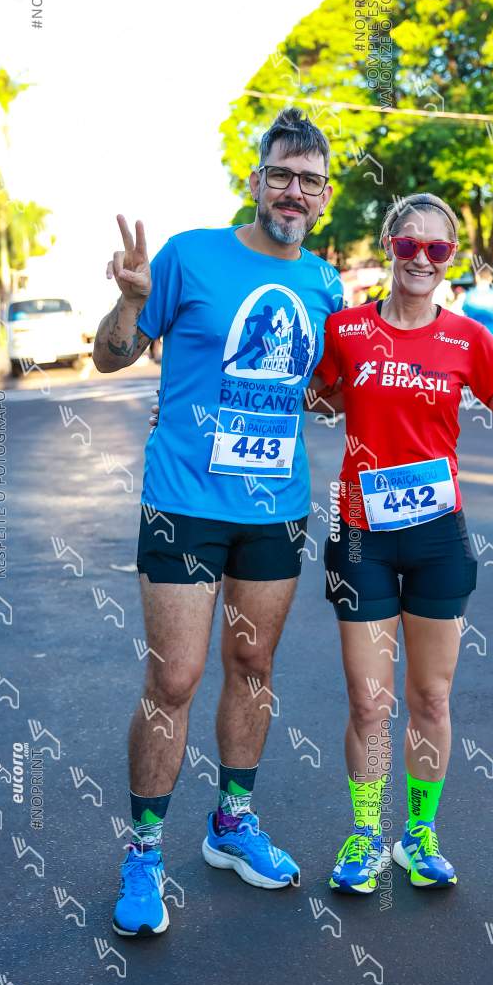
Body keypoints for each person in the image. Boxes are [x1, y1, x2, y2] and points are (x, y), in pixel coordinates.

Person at [93, 108, 343, 937]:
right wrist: (130, 303)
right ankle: (144, 854)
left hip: (276, 507)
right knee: (174, 679)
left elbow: (315, 392)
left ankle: (232, 824)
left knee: (254, 665)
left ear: (324, 196)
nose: (294, 191)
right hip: (185, 503)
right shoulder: (189, 255)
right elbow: (110, 357)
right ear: (257, 181)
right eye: (282, 175)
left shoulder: (324, 284)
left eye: (309, 180)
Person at [311, 193, 493, 893]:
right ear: (388, 246)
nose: (421, 258)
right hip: (359, 533)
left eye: (437, 248)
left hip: (437, 538)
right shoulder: (346, 330)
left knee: (431, 698)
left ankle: (418, 834)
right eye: (408, 244)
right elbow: (311, 396)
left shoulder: (468, 338)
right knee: (370, 702)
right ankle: (367, 834)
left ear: (450, 259)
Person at [462, 268, 493, 340]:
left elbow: (464, 311)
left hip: (472, 333)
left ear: (477, 277)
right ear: (491, 278)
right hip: (492, 334)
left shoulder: (468, 295)